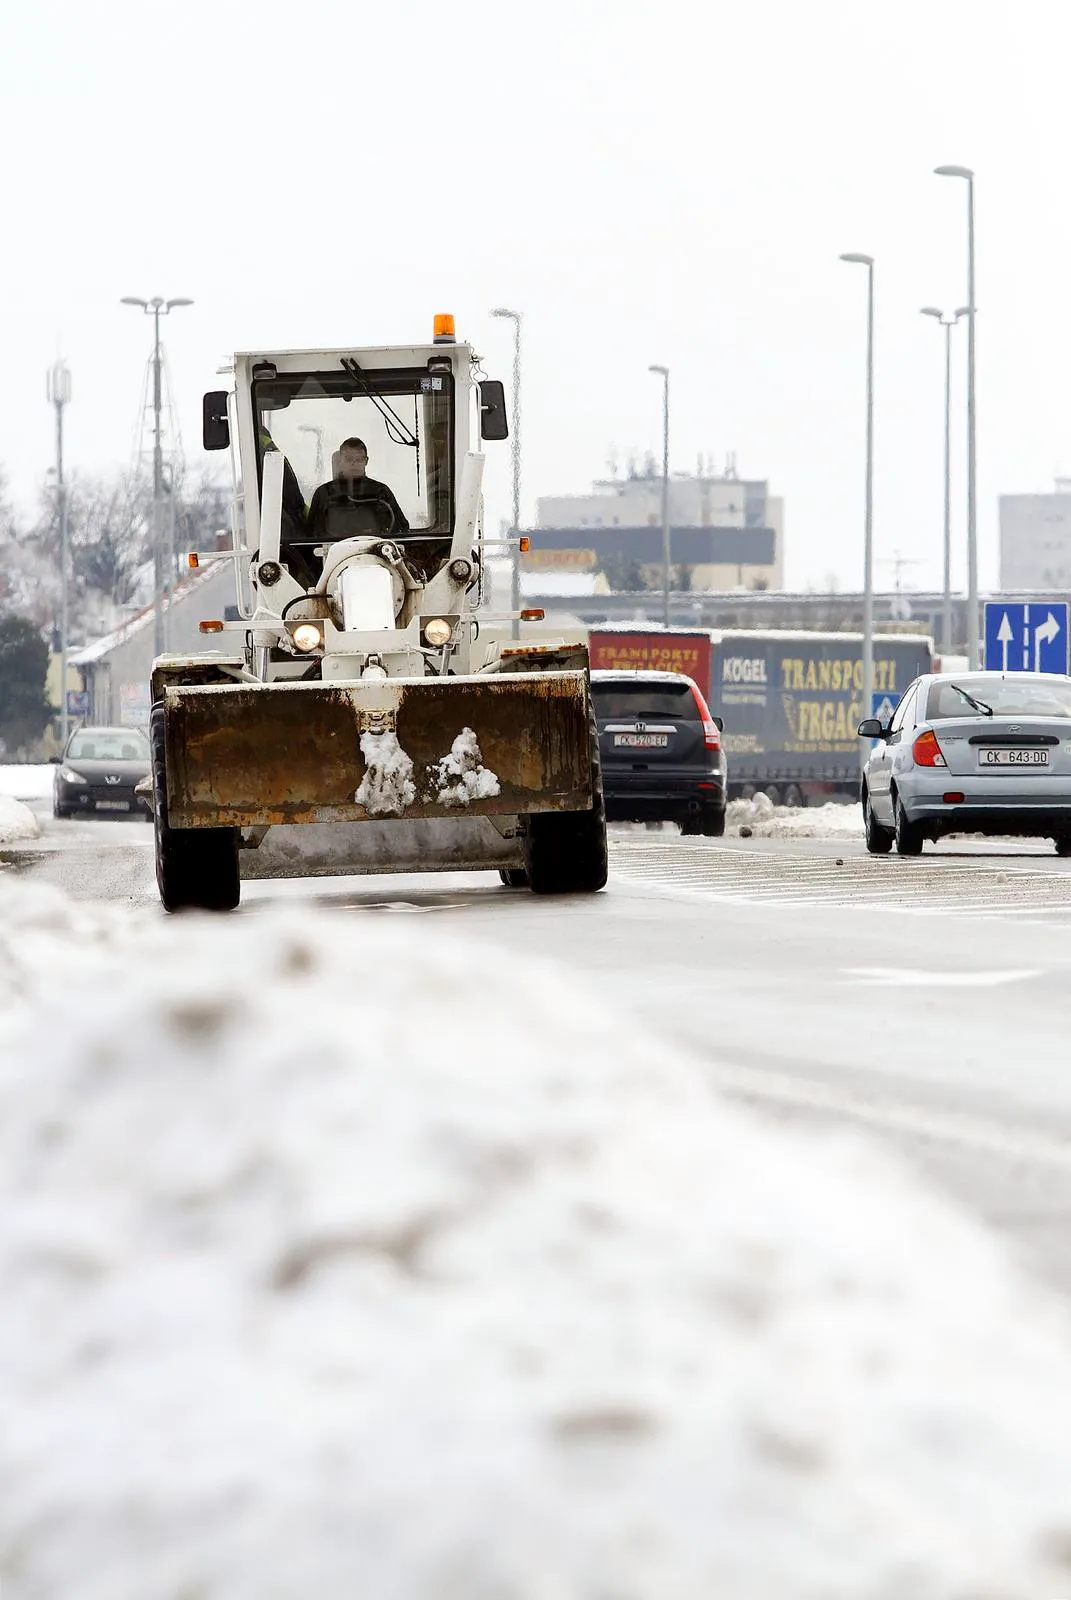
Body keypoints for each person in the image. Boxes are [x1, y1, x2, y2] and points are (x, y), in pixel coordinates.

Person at [305, 437, 409, 543]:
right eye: (349, 459)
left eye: (359, 460)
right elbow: (311, 535)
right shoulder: (324, 493)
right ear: (340, 461)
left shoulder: (381, 492)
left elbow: (401, 530)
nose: (354, 463)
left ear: (366, 461)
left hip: (377, 553)